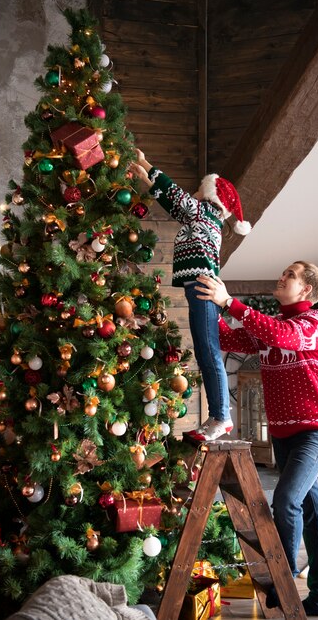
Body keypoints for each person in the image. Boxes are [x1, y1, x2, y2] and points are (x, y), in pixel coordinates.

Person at [195, 262, 318, 616]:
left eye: (290, 275)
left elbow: (282, 336)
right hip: (282, 433)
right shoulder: (273, 327)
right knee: (312, 513)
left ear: (306, 290)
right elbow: (228, 338)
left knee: (287, 500)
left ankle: (283, 576)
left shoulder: (314, 324)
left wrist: (230, 302)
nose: (282, 277)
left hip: (316, 429)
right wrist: (205, 305)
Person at [130, 149, 251, 441]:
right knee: (206, 350)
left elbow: (173, 195)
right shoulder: (199, 217)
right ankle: (221, 415)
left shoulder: (205, 212)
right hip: (197, 288)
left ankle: (221, 417)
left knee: (208, 352)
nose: (194, 192)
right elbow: (176, 203)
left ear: (212, 197)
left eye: (199, 188)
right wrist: (146, 163)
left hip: (203, 289)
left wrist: (147, 173)